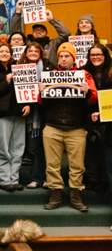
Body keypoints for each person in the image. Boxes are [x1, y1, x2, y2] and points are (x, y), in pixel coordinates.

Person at [38, 42, 98, 212]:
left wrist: (87, 91)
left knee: (77, 165)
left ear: (73, 58)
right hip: (52, 126)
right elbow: (40, 102)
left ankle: (76, 197)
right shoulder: (49, 75)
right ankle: (55, 196)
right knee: (52, 164)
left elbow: (93, 100)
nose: (63, 59)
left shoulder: (84, 75)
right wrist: (41, 91)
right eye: (61, 56)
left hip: (76, 128)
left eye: (67, 56)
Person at [0, 43, 30, 192]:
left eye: (7, 51)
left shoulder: (18, 69)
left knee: (18, 148)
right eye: (2, 51)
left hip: (19, 114)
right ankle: (4, 179)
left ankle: (14, 179)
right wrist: (6, 82)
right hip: (2, 115)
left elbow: (26, 89)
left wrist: (28, 104)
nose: (5, 53)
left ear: (12, 54)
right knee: (3, 148)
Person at [18, 42, 53, 189]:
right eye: (30, 50)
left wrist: (45, 88)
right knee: (33, 148)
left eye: (36, 50)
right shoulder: (19, 68)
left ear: (41, 53)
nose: (32, 52)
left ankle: (45, 178)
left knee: (45, 148)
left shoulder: (48, 67)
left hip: (44, 114)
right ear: (25, 53)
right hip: (26, 116)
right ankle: (35, 178)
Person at [81, 43, 111, 192]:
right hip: (89, 114)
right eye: (92, 54)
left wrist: (103, 113)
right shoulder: (83, 72)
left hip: (109, 116)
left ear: (105, 56)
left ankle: (105, 179)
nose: (96, 57)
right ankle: (91, 177)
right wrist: (90, 114)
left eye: (99, 54)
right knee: (90, 148)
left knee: (105, 150)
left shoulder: (111, 72)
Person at [11, 2, 70, 67]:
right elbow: (16, 31)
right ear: (32, 33)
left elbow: (66, 34)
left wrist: (52, 19)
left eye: (41, 30)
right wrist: (18, 11)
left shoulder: (53, 44)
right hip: (29, 75)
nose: (38, 32)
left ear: (46, 33)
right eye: (36, 30)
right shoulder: (26, 43)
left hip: (48, 74)